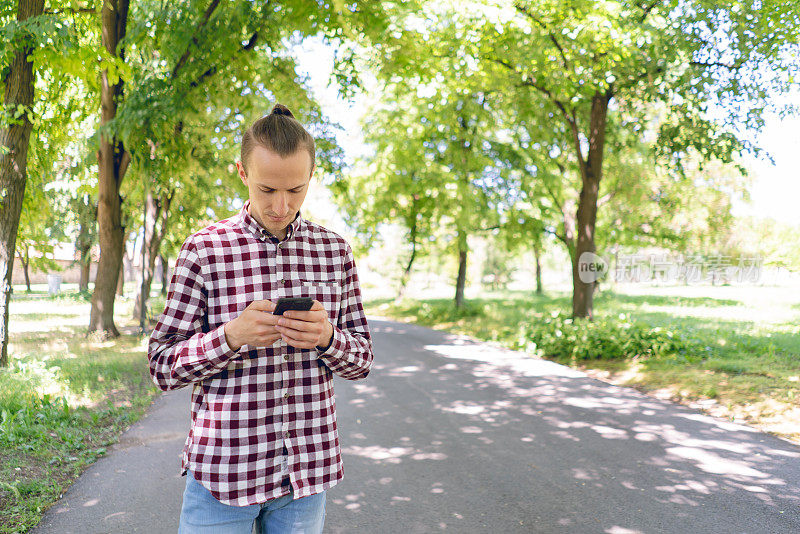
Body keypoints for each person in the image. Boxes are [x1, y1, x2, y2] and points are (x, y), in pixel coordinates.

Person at [148, 103, 374, 533]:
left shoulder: (334, 252)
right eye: (267, 189)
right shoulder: (204, 249)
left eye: (296, 190)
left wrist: (328, 338)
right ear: (242, 172)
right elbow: (161, 366)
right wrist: (230, 337)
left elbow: (362, 361)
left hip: (305, 477)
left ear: (310, 179)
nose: (281, 205)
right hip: (222, 475)